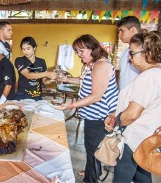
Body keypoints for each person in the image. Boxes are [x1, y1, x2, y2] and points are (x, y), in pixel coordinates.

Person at [56, 34, 119, 183]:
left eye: (81, 50)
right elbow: (83, 79)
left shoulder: (101, 65)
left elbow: (96, 95)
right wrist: (66, 79)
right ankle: (91, 172)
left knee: (94, 150)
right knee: (92, 149)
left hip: (100, 117)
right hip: (92, 115)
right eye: (76, 51)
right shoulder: (90, 64)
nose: (79, 54)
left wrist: (70, 105)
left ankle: (91, 179)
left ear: (92, 48)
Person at [104, 32, 161, 183]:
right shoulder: (157, 74)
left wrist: (114, 122)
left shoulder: (148, 77)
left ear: (146, 53)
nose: (129, 57)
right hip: (147, 138)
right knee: (142, 176)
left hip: (134, 140)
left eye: (132, 52)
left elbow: (132, 114)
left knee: (122, 178)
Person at [14, 36, 57, 101]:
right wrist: (47, 74)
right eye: (23, 49)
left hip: (37, 96)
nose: (25, 52)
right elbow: (28, 75)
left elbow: (44, 81)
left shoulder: (41, 62)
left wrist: (53, 78)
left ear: (34, 48)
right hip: (22, 95)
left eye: (28, 49)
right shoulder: (19, 60)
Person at [117, 16, 141, 90]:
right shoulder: (124, 52)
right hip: (124, 97)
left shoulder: (145, 51)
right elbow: (122, 75)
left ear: (133, 30)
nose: (119, 34)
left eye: (122, 30)